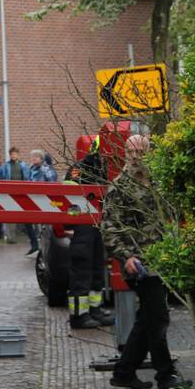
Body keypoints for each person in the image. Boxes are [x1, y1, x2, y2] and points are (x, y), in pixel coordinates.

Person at [102, 134, 188, 389]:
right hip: (137, 261)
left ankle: (125, 372)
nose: (137, 157)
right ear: (126, 154)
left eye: (142, 152)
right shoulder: (120, 187)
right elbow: (110, 227)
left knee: (149, 318)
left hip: (159, 258)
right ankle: (164, 374)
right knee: (157, 317)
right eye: (132, 153)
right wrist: (126, 256)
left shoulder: (158, 182)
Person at [64, 137, 114, 329]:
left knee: (96, 269)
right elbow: (68, 195)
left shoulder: (107, 169)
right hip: (83, 226)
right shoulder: (79, 169)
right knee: (81, 271)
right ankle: (78, 315)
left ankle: (95, 310)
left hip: (97, 226)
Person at [24, 149, 57, 255]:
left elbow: (52, 185)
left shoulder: (47, 170)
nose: (34, 158)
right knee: (27, 222)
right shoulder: (30, 169)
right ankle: (34, 246)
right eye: (33, 156)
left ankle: (47, 248)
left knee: (45, 225)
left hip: (45, 201)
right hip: (31, 200)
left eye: (36, 157)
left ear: (42, 159)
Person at [0, 147, 30, 244]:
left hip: (21, 192)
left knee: (25, 214)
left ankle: (29, 235)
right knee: (10, 214)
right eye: (12, 154)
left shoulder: (23, 165)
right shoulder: (5, 165)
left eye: (15, 154)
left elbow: (27, 177)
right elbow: (1, 176)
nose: (13, 156)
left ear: (18, 155)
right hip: (10, 192)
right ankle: (10, 237)